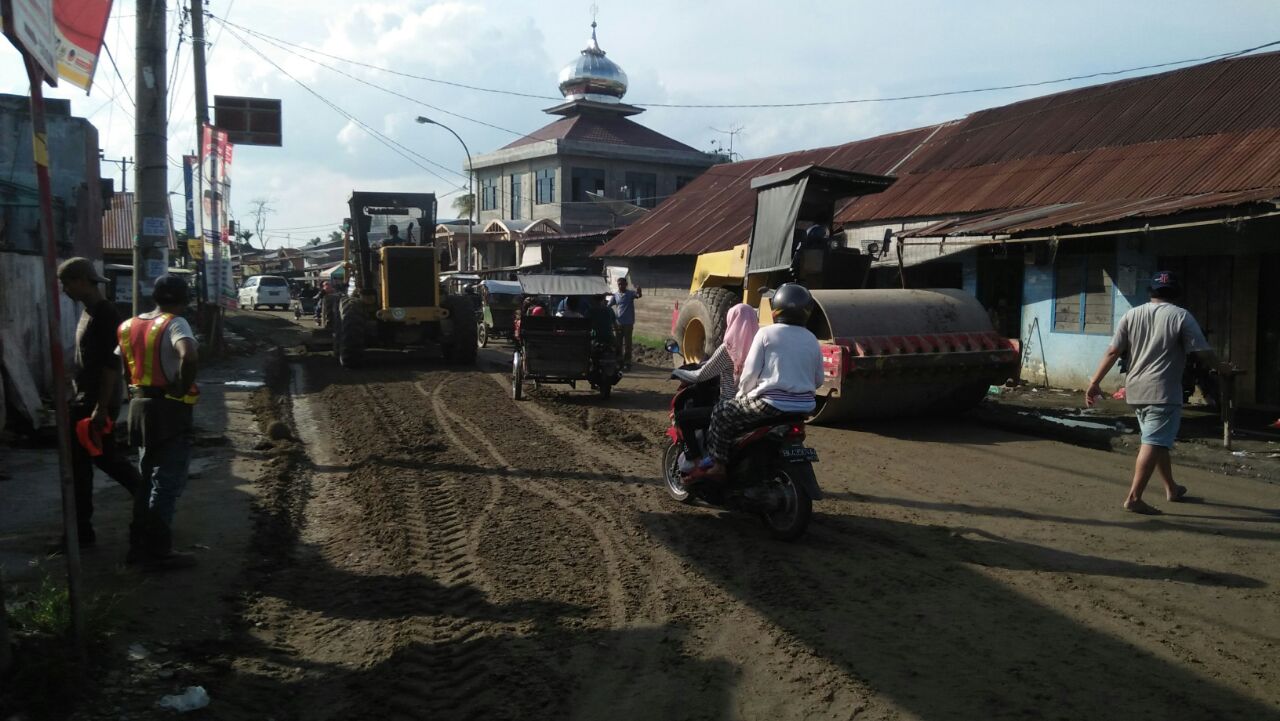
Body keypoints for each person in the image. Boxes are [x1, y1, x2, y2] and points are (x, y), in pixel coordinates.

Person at [1086, 271, 1229, 515]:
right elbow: (1202, 352)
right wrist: (1222, 367)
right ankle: (1134, 497)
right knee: (1153, 441)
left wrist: (1095, 381)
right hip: (1162, 392)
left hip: (1136, 390)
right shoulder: (1181, 316)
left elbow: (1113, 352)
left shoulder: (1131, 314)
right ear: (1176, 293)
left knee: (1157, 439)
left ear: (1150, 291)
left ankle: (1171, 487)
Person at [52, 258, 141, 553]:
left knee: (100, 460)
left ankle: (149, 503)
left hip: (94, 402)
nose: (64, 290)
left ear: (81, 281)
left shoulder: (105, 315)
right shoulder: (88, 312)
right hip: (84, 399)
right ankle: (82, 531)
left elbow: (110, 366)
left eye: (66, 283)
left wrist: (100, 408)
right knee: (86, 464)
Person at [692, 285, 823, 480]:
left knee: (721, 412)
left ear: (776, 308)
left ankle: (718, 465)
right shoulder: (812, 338)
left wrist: (741, 396)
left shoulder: (766, 334)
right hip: (804, 407)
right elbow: (819, 380)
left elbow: (749, 374)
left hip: (770, 405)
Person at [118, 275, 200, 569]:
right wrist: (180, 384)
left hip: (139, 408)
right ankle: (158, 551)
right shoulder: (175, 323)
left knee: (145, 480)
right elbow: (188, 355)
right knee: (166, 483)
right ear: (184, 299)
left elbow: (124, 365)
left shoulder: (129, 325)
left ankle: (137, 546)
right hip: (169, 410)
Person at [673, 304, 759, 467]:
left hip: (729, 407)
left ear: (732, 321)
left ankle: (696, 462)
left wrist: (677, 372)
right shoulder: (759, 346)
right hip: (753, 406)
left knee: (683, 419)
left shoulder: (729, 349)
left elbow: (701, 375)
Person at [608, 277, 642, 370]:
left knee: (627, 344)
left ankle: (627, 362)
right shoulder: (616, 295)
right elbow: (608, 305)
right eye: (619, 284)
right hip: (618, 323)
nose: (621, 286)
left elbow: (638, 295)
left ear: (626, 285)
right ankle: (619, 361)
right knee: (618, 343)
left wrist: (639, 291)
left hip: (628, 323)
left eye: (622, 284)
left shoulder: (630, 294)